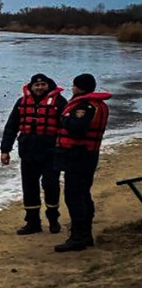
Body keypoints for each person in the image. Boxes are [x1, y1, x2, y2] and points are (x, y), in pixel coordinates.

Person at [0, 73, 67, 235]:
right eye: (36, 85)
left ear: (48, 86)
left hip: (51, 152)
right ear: (31, 87)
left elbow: (67, 128)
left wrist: (66, 151)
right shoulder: (22, 103)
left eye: (43, 84)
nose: (39, 88)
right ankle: (32, 222)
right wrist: (5, 150)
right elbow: (11, 127)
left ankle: (53, 218)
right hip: (28, 152)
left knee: (50, 185)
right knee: (29, 188)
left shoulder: (59, 102)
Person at [54, 73, 111, 252]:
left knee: (74, 196)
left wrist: (64, 118)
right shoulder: (97, 105)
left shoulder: (85, 106)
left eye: (74, 86)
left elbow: (77, 129)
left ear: (80, 87)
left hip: (79, 156)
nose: (72, 88)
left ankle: (78, 236)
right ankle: (85, 234)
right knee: (83, 194)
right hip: (88, 154)